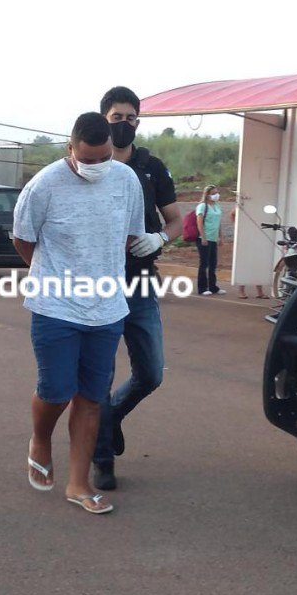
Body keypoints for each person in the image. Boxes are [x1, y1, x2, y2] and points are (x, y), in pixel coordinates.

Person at [13, 112, 144, 515]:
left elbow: (129, 234)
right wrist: (56, 276)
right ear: (70, 149)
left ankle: (78, 484)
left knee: (91, 397)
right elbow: (23, 239)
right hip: (55, 306)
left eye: (104, 158)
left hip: (107, 307)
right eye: (87, 159)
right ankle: (40, 439)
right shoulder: (44, 185)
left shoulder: (126, 180)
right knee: (56, 390)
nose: (97, 166)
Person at [91, 86, 182, 491]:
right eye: (117, 117)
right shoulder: (91, 163)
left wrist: (160, 238)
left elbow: (175, 220)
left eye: (130, 118)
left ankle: (109, 416)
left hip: (141, 281)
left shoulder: (151, 167)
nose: (124, 124)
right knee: (101, 373)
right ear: (103, 119)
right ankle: (101, 458)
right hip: (99, 283)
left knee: (151, 372)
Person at [230, 208, 269, 299]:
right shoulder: (246, 205)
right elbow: (232, 213)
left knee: (258, 263)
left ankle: (260, 292)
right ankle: (241, 291)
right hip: (245, 237)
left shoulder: (260, 207)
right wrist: (237, 225)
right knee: (244, 264)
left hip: (258, 237)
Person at [196, 185, 224, 296]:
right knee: (204, 263)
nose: (216, 195)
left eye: (216, 193)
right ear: (207, 195)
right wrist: (203, 237)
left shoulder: (217, 206)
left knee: (213, 263)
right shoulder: (202, 206)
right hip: (204, 238)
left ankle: (213, 286)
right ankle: (202, 288)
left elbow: (219, 222)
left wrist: (220, 237)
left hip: (213, 238)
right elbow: (199, 222)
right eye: (213, 193)